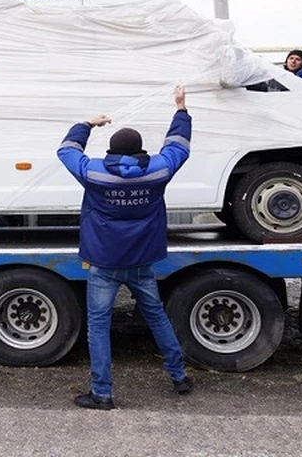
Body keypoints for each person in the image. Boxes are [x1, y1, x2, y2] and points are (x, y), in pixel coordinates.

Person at [57, 84, 194, 410]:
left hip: (104, 262)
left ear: (113, 152)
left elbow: (66, 150)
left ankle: (102, 393)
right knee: (157, 318)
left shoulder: (94, 172)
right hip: (142, 260)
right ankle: (179, 377)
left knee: (99, 327)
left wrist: (87, 125)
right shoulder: (159, 170)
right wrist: (181, 109)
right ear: (140, 150)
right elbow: (179, 146)